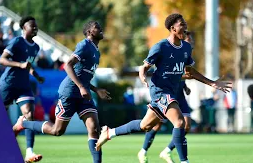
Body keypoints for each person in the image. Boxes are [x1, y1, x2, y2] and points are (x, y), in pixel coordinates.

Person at [95, 13, 232, 163]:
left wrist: (211, 83)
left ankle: (109, 132)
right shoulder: (160, 47)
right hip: (160, 91)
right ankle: (184, 161)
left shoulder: (186, 47)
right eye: (182, 24)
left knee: (145, 126)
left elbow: (189, 72)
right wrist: (142, 76)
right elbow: (144, 67)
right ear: (173, 28)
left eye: (185, 24)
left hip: (170, 92)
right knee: (180, 122)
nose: (185, 27)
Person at [13, 21, 111, 163]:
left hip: (84, 97)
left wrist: (96, 89)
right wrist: (81, 87)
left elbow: (82, 76)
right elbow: (68, 66)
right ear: (89, 31)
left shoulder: (97, 51)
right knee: (57, 131)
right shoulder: (84, 45)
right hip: (70, 93)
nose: (100, 28)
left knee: (94, 128)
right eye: (97, 27)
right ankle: (24, 123)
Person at [137, 31, 194, 163]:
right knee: (154, 125)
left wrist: (185, 86)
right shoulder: (171, 48)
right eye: (190, 40)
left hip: (179, 95)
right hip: (166, 93)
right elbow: (174, 72)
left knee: (186, 125)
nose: (192, 43)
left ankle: (167, 151)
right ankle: (143, 150)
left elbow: (182, 72)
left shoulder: (186, 52)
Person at [0, 16, 44, 162]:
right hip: (8, 84)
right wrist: (19, 65)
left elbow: (28, 65)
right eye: (32, 26)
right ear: (24, 28)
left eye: (36, 26)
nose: (35, 28)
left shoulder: (36, 47)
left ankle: (29, 152)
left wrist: (37, 76)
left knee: (29, 114)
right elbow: (2, 60)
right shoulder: (17, 41)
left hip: (23, 85)